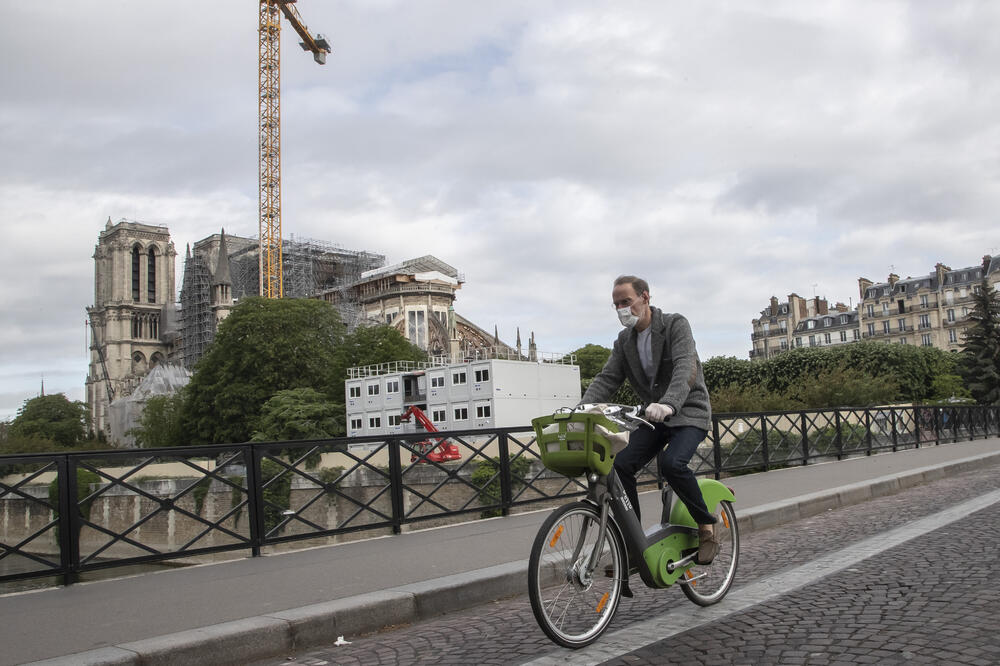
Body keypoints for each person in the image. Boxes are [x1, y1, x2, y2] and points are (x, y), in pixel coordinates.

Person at [581, 275, 719, 565]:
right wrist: (580, 410)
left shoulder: (674, 324)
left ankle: (706, 527)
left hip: (688, 412)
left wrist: (669, 403)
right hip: (653, 417)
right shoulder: (624, 341)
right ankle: (635, 541)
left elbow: (685, 368)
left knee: (672, 464)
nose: (621, 309)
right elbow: (607, 379)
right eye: (616, 304)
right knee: (619, 466)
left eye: (626, 302)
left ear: (645, 297)